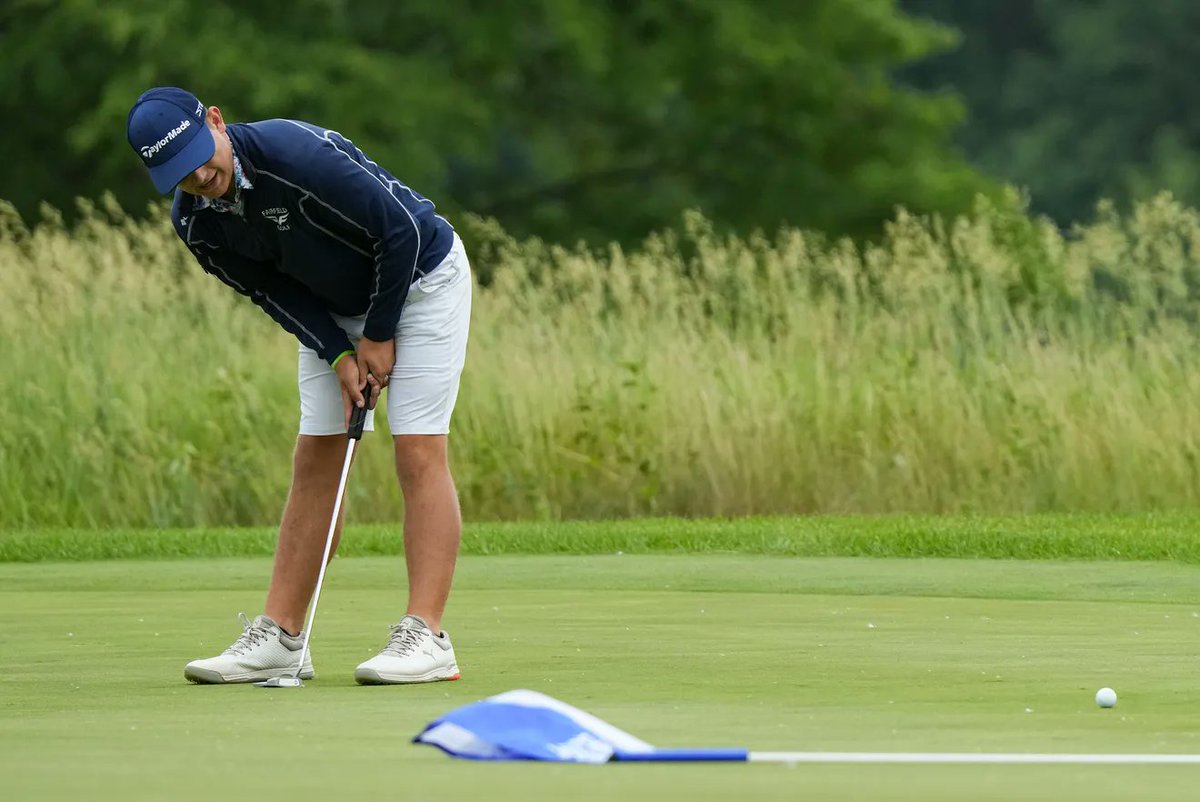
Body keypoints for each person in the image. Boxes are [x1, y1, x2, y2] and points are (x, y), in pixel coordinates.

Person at [126, 87, 471, 685]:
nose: (200, 177)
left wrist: (379, 335)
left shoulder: (296, 155)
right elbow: (271, 291)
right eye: (180, 174)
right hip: (336, 313)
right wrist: (339, 352)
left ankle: (427, 636)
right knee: (315, 454)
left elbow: (400, 233)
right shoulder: (196, 224)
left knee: (416, 447)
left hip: (420, 283)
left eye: (200, 157)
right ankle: (282, 637)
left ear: (214, 120)